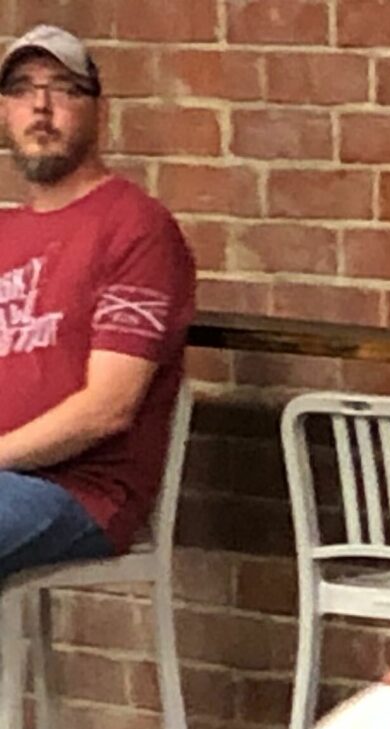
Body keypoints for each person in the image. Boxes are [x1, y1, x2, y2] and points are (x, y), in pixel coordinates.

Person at [0, 26, 196, 584]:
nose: (41, 106)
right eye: (21, 89)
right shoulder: (6, 231)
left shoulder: (136, 228)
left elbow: (108, 407)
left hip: (78, 490)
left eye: (63, 88)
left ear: (99, 110)